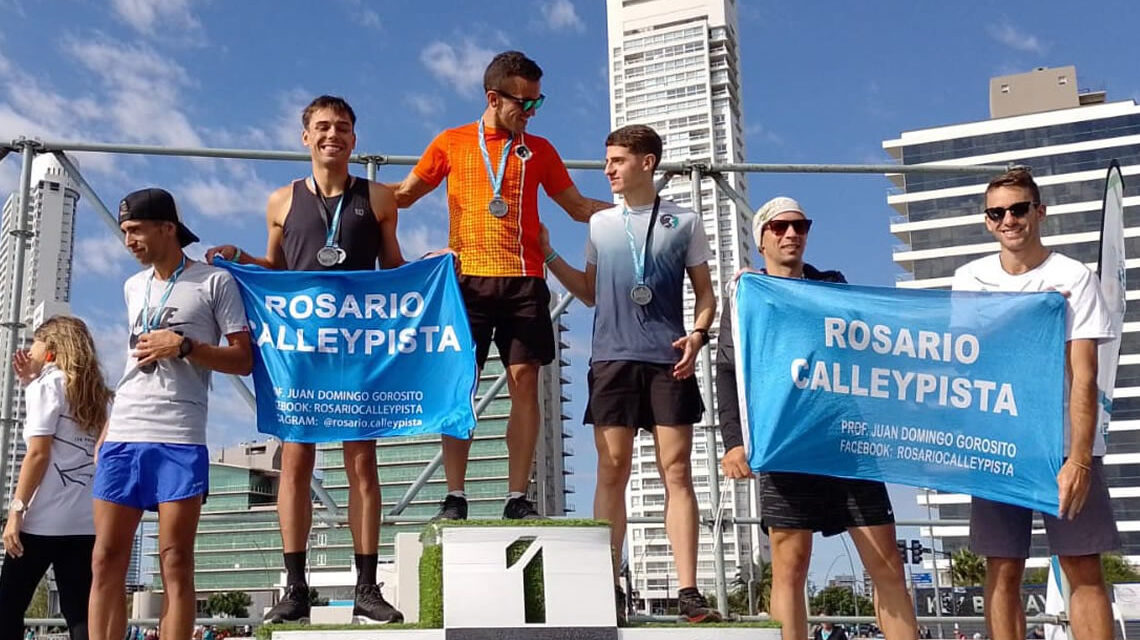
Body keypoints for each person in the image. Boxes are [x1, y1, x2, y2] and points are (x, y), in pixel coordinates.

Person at [205, 95, 407, 625]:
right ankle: (295, 589)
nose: (332, 135)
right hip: (299, 349)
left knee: (362, 462)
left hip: (357, 346)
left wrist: (428, 268)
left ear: (354, 139)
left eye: (342, 127)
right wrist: (237, 258)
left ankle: (367, 587)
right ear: (305, 137)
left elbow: (394, 270)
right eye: (322, 127)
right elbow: (273, 268)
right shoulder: (280, 201)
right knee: (295, 463)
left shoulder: (380, 198)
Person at [389, 51, 610, 520]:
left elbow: (574, 207)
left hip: (525, 279)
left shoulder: (541, 150)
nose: (531, 113)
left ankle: (517, 496)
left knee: (525, 382)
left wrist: (634, 209)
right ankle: (455, 495)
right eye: (524, 103)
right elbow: (404, 196)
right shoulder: (451, 142)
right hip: (465, 280)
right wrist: (344, 190)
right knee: (458, 384)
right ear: (494, 97)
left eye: (537, 103)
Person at [716, 196, 918, 640]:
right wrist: (734, 442)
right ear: (762, 239)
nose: (792, 234)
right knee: (789, 565)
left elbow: (867, 338)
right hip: (786, 441)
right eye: (780, 228)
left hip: (846, 439)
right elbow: (728, 373)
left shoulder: (833, 284)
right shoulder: (746, 295)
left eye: (801, 226)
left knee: (886, 562)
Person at [540, 124, 719, 623]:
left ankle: (688, 591)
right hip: (612, 358)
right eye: (607, 161)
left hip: (669, 359)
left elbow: (706, 294)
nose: (608, 170)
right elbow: (591, 292)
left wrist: (699, 335)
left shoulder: (685, 222)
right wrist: (549, 252)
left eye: (617, 160)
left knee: (677, 471)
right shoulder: (600, 224)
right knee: (612, 469)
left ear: (647, 162)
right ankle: (606, 584)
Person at [952, 169, 1119, 640]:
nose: (1009, 219)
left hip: (1062, 446)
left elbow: (1083, 375)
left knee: (1081, 565)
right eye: (997, 212)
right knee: (1003, 568)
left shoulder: (1073, 276)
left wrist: (1080, 459)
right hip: (998, 443)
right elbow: (966, 364)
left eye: (1019, 209)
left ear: (1039, 212)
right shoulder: (968, 278)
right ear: (987, 222)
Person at [88, 188, 254, 640]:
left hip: (178, 435)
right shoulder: (131, 287)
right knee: (105, 559)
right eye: (124, 232)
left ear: (168, 228)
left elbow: (243, 359)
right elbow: (130, 365)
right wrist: (107, 428)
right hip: (124, 431)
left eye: (136, 230)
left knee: (175, 559)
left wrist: (183, 346)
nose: (128, 241)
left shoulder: (214, 282)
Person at [0, 316, 113, 640]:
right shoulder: (101, 397)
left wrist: (16, 511)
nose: (29, 349)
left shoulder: (48, 386)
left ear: (50, 349)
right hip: (85, 522)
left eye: (35, 341)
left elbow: (38, 453)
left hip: (40, 522)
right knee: (79, 613)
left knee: (8, 607)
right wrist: (29, 383)